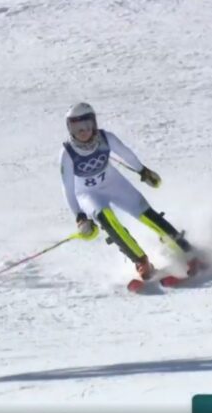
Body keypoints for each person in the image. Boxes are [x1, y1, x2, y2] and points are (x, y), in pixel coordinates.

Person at [59, 102, 200, 286]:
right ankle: (141, 261)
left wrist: (143, 171)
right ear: (70, 129)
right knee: (108, 219)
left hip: (113, 183)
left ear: (94, 123)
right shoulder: (67, 153)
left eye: (86, 125)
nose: (83, 131)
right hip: (88, 194)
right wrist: (80, 217)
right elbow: (68, 187)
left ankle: (187, 252)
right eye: (77, 128)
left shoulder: (105, 138)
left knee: (145, 213)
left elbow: (126, 153)